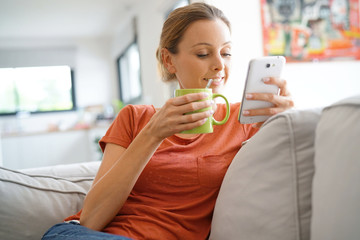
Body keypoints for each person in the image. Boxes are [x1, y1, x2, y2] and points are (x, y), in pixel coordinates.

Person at [42, 2, 294, 240]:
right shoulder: (134, 117)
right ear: (168, 60)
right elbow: (91, 219)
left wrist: (287, 124)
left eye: (226, 53)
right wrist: (152, 134)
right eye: (203, 53)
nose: (220, 65)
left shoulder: (247, 120)